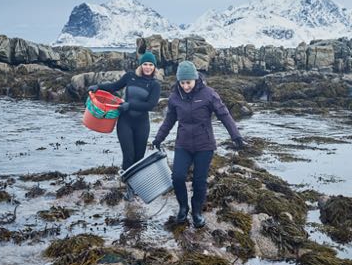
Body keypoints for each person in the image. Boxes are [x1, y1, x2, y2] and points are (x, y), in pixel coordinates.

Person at [151, 60, 244, 228]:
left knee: (199, 181)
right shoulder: (174, 98)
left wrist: (236, 136)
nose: (186, 86)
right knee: (177, 177)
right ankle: (183, 207)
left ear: (196, 79)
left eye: (189, 82)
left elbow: (224, 114)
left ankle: (196, 212)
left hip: (204, 145)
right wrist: (158, 138)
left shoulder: (209, 94)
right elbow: (169, 121)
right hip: (183, 144)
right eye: (182, 82)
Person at [88, 52, 162, 199]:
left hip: (142, 124)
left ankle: (136, 187)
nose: (148, 67)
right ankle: (129, 190)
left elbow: (150, 105)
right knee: (128, 156)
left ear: (154, 67)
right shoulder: (130, 76)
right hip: (125, 122)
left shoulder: (155, 85)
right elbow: (114, 86)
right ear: (141, 65)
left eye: (151, 65)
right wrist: (98, 87)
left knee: (139, 158)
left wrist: (129, 105)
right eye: (145, 64)